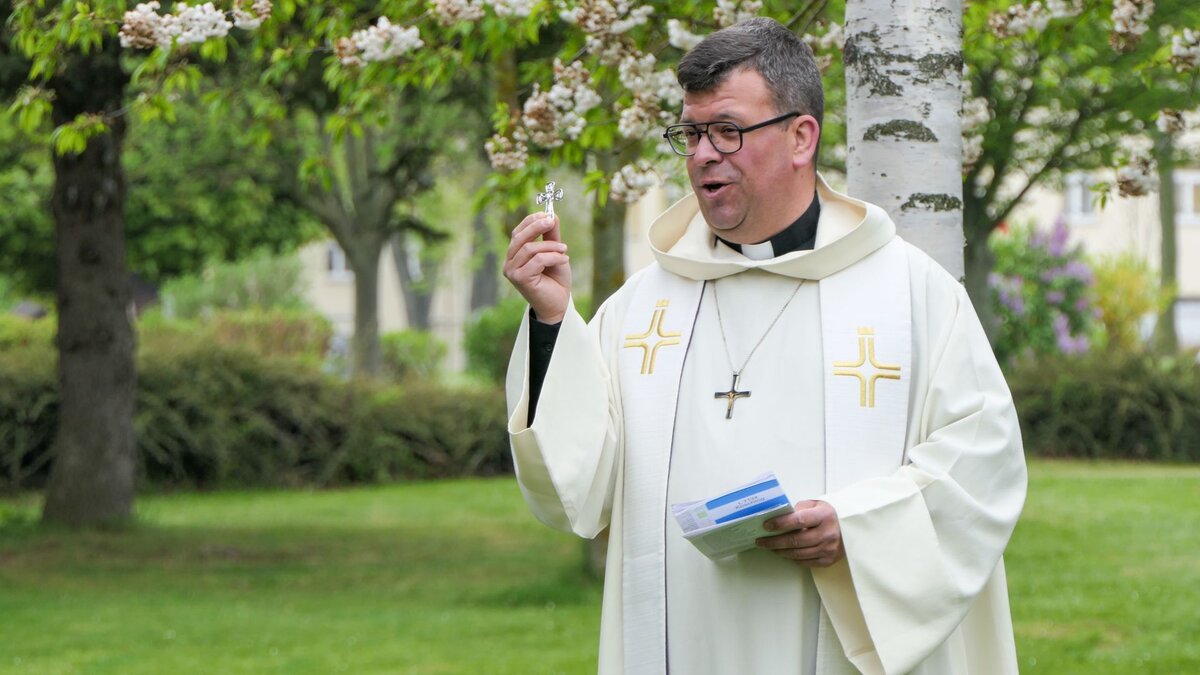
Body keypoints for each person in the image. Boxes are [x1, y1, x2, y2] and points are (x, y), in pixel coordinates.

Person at [503, 17, 1026, 675]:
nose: (701, 154)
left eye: (727, 130)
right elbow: (578, 483)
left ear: (801, 136)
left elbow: (985, 460)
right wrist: (552, 321)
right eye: (690, 134)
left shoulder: (909, 293)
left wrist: (858, 527)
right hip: (682, 639)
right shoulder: (643, 306)